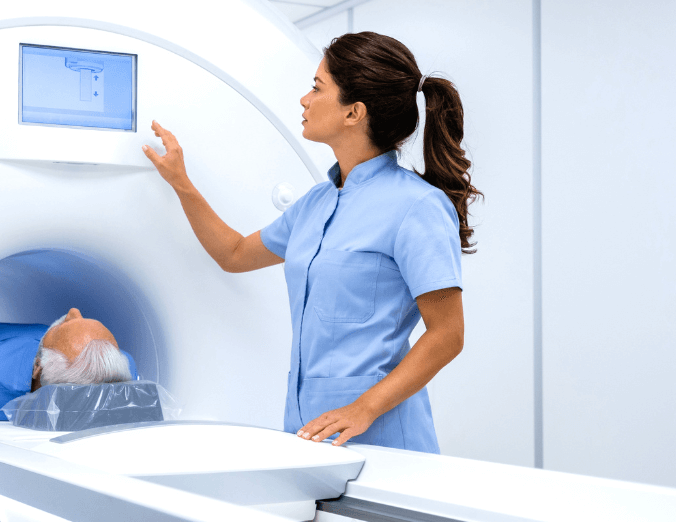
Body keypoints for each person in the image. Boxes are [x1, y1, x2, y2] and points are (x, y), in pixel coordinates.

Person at [142, 31, 479, 451]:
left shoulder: (416, 207)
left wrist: (364, 409)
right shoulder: (317, 203)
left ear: (354, 112)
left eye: (317, 88)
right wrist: (182, 183)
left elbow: (448, 334)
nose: (304, 99)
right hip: (307, 431)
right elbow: (233, 254)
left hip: (384, 438)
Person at [0, 308, 136, 421]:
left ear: (38, 367)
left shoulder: (121, 370)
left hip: (43, 348)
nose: (74, 311)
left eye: (66, 325)